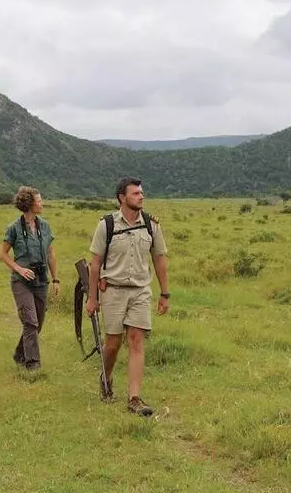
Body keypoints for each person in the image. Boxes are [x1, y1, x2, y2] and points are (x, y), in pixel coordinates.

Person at [86, 177, 169, 416]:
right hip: (112, 290)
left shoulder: (151, 225)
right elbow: (95, 264)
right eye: (135, 193)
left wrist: (165, 293)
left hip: (140, 290)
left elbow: (160, 259)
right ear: (122, 198)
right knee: (112, 344)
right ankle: (107, 377)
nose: (141, 196)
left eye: (142, 193)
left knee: (135, 339)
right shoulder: (107, 225)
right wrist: (92, 298)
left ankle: (134, 398)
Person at [0, 186, 59, 371]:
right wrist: (19, 269)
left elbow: (50, 254)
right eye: (39, 200)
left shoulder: (46, 227)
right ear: (30, 203)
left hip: (41, 280)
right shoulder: (14, 228)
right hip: (21, 281)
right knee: (30, 321)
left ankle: (20, 353)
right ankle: (33, 364)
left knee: (38, 322)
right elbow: (2, 253)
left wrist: (56, 279)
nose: (42, 203)